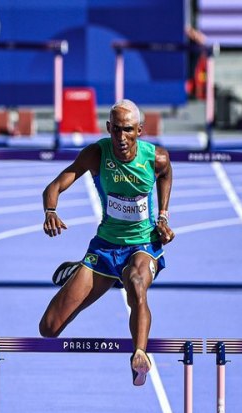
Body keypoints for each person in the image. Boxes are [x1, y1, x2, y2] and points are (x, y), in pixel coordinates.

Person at [39, 99, 175, 387]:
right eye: (116, 130)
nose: (121, 138)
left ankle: (139, 355)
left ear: (140, 130)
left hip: (143, 245)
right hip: (105, 248)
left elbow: (165, 175)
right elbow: (53, 186)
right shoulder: (96, 154)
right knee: (49, 328)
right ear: (108, 128)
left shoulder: (156, 158)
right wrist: (51, 211)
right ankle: (84, 271)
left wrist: (162, 216)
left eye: (128, 130)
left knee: (137, 282)